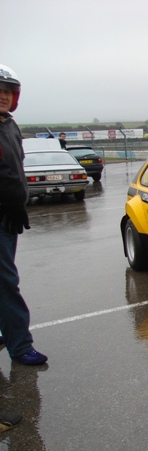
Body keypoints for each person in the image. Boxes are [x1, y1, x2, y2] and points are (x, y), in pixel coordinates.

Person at [0, 64, 48, 367]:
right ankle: (20, 345)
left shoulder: (9, 125)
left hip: (10, 217)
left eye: (7, 91)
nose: (3, 97)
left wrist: (18, 207)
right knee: (6, 282)